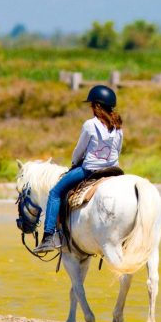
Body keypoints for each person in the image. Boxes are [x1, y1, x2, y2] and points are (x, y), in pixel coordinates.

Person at [32, 85, 124, 254]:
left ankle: (49, 237)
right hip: (114, 170)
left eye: (91, 105)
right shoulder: (118, 127)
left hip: (90, 170)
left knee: (55, 192)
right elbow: (118, 150)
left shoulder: (90, 125)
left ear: (96, 106)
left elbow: (80, 149)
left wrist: (75, 162)